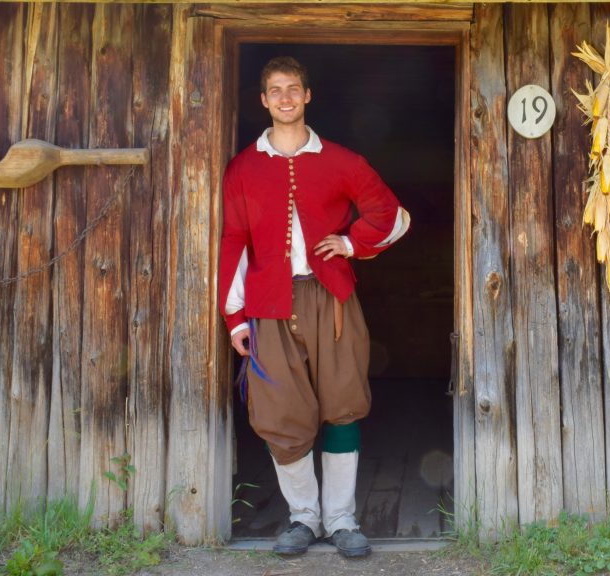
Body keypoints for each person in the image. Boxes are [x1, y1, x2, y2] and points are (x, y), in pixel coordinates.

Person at [218, 56, 409, 558]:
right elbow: (234, 241)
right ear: (263, 100)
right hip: (268, 303)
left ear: (307, 96)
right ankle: (303, 518)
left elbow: (389, 213)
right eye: (275, 90)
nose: (285, 97)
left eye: (293, 89)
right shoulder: (243, 167)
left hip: (332, 298)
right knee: (281, 414)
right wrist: (235, 315)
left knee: (343, 406)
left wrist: (350, 245)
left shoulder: (341, 160)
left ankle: (342, 519)